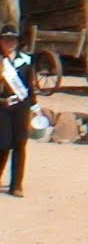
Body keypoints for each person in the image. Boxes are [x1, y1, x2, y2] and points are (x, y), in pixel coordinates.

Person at [0, 24, 34, 197]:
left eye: (13, 39)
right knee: (3, 144)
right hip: (3, 107)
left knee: (20, 144)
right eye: (6, 39)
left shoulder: (26, 61)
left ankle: (16, 185)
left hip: (21, 107)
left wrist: (35, 108)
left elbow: (30, 87)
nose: (9, 42)